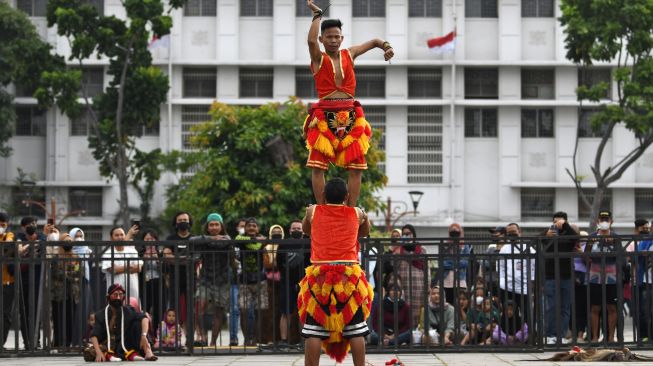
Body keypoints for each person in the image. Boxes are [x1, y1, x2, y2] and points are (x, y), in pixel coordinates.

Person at [304, 0, 394, 207]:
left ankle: (351, 209)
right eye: (329, 37)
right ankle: (323, 208)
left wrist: (387, 47)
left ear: (342, 38)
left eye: (337, 37)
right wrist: (317, 15)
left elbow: (374, 41)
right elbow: (310, 42)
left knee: (356, 168)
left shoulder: (349, 54)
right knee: (318, 167)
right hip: (323, 117)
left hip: (350, 116)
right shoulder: (318, 59)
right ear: (322, 39)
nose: (334, 40)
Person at [298, 177, 373, 365]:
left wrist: (309, 213)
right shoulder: (356, 213)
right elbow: (364, 232)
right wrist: (363, 215)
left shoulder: (313, 210)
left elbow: (307, 230)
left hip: (319, 275)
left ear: (323, 195)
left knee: (314, 328)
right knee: (356, 327)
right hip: (348, 274)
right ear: (347, 196)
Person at [86, 283, 157, 361]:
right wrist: (98, 352)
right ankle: (110, 355)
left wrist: (143, 336)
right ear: (108, 297)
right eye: (115, 295)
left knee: (137, 323)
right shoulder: (100, 314)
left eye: (121, 294)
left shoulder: (128, 310)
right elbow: (94, 334)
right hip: (108, 344)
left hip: (126, 344)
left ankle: (147, 351)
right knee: (90, 353)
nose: (118, 297)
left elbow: (144, 318)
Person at [191, 213, 231, 347]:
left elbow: (223, 243)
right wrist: (210, 238)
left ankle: (213, 342)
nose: (214, 227)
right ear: (207, 227)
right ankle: (203, 337)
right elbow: (192, 240)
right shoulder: (204, 238)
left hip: (222, 280)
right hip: (205, 279)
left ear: (221, 226)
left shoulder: (226, 238)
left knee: (218, 311)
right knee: (199, 307)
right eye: (211, 225)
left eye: (216, 224)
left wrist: (208, 240)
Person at [542, 211, 577, 344]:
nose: (557, 224)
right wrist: (547, 234)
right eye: (555, 221)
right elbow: (536, 239)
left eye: (560, 221)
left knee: (565, 307)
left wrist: (566, 226)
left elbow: (576, 238)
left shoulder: (569, 234)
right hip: (550, 276)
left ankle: (561, 335)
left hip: (566, 275)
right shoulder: (549, 232)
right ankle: (550, 335)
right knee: (551, 307)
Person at [588, 210, 621, 343]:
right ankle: (595, 337)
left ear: (611, 222)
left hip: (612, 276)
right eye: (602, 219)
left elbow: (620, 256)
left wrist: (611, 243)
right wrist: (591, 243)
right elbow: (586, 256)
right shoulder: (592, 236)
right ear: (598, 221)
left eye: (606, 219)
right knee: (595, 307)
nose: (604, 222)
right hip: (595, 275)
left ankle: (611, 337)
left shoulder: (615, 237)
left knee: (612, 307)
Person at [235, 217, 268, 346]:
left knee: (259, 311)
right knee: (243, 310)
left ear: (257, 228)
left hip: (260, 280)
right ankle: (246, 339)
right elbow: (237, 239)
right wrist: (254, 239)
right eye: (249, 226)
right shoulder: (241, 239)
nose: (251, 228)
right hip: (244, 280)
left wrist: (261, 240)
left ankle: (255, 339)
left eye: (254, 226)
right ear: (245, 228)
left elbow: (265, 242)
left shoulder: (263, 240)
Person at [497, 223, 535, 327]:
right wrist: (502, 282)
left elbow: (534, 266)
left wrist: (531, 283)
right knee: (507, 314)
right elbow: (500, 267)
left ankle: (529, 338)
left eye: (514, 232)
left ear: (520, 231)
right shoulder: (504, 249)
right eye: (509, 233)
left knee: (527, 314)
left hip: (524, 288)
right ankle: (507, 337)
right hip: (507, 288)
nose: (512, 235)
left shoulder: (528, 248)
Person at [391, 224, 428, 327]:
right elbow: (394, 269)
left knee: (418, 312)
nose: (406, 236)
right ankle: (406, 336)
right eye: (404, 234)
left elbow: (427, 269)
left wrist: (427, 286)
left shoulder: (422, 250)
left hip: (418, 286)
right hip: (404, 285)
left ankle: (416, 335)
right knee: (405, 311)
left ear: (413, 235)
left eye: (408, 234)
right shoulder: (399, 250)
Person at [277, 220, 306, 348]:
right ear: (289, 231)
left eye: (298, 228)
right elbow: (278, 263)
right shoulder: (283, 244)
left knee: (303, 312)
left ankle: (304, 340)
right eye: (294, 228)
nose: (296, 230)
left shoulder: (308, 243)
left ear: (303, 230)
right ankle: (283, 341)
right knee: (285, 312)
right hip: (286, 282)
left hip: (304, 283)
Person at [102, 226, 142, 303]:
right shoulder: (108, 253)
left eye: (122, 234)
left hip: (132, 291)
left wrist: (119, 269)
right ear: (111, 238)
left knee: (133, 311)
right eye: (116, 235)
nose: (120, 237)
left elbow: (138, 268)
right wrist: (129, 266)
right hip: (115, 293)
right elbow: (112, 269)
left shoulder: (132, 251)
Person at [369, 281, 411, 347]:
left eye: (397, 290)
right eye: (392, 290)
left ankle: (388, 343)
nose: (395, 292)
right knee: (372, 336)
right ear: (388, 292)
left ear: (400, 293)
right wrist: (384, 334)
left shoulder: (405, 306)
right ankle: (395, 343)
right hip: (383, 334)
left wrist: (395, 335)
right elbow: (375, 323)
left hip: (399, 334)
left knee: (409, 334)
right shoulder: (380, 305)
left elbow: (407, 325)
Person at [140, 230, 162, 342]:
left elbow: (165, 270)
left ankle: (157, 334)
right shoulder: (139, 253)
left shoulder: (160, 252)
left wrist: (158, 259)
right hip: (144, 283)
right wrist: (144, 258)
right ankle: (146, 334)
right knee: (145, 308)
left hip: (158, 282)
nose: (149, 241)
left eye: (152, 239)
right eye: (147, 239)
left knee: (158, 308)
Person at [442, 223, 471, 304]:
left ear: (460, 232)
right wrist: (457, 262)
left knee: (460, 305)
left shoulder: (465, 246)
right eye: (452, 231)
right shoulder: (444, 245)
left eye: (456, 230)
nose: (454, 232)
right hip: (447, 281)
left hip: (460, 280)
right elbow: (443, 263)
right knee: (448, 304)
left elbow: (465, 263)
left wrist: (450, 261)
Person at [0, 212, 15, 347]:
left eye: (3, 224)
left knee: (5, 315)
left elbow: (9, 243)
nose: (1, 226)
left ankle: (1, 342)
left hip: (7, 282)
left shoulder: (8, 235)